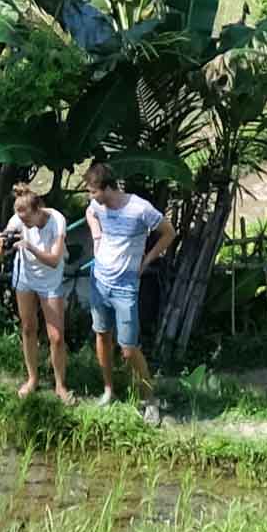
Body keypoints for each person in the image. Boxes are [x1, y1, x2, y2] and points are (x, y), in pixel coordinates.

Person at [82, 160, 173, 420]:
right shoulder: (97, 206)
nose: (91, 197)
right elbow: (90, 214)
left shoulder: (139, 208)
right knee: (101, 335)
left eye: (93, 191)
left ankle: (150, 400)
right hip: (99, 280)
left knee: (129, 348)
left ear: (108, 188)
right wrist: (97, 235)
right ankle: (109, 390)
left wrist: (146, 260)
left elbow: (168, 232)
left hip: (125, 287)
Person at [0, 180, 73, 402]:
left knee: (56, 337)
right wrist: (2, 243)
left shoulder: (56, 220)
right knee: (28, 328)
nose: (23, 223)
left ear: (38, 209)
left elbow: (54, 259)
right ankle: (32, 379)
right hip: (26, 280)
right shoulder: (17, 220)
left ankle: (60, 385)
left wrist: (29, 247)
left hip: (50, 281)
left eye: (27, 218)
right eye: (20, 219)